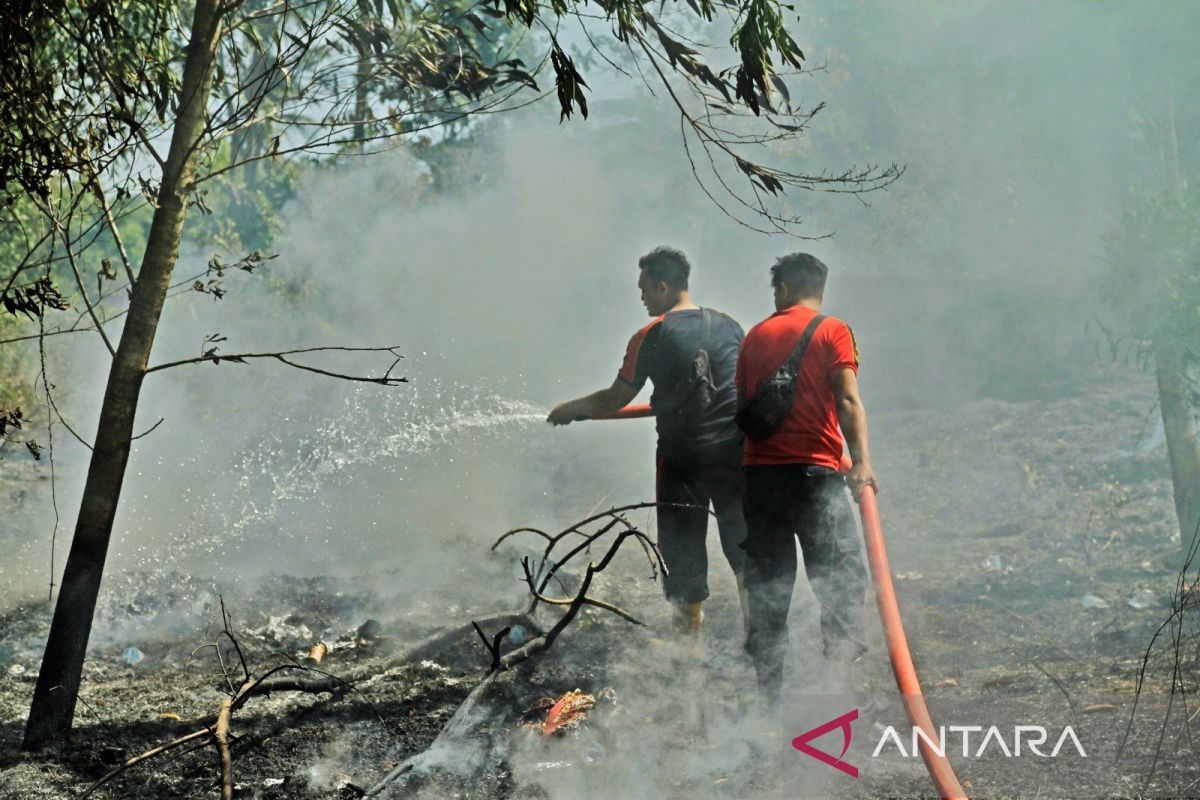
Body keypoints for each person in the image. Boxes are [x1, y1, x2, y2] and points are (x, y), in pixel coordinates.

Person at [547, 246, 749, 642]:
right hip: (734, 456)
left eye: (644, 289)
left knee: (682, 557)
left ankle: (686, 653)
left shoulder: (651, 335)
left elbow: (614, 399)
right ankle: (759, 641)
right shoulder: (729, 325)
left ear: (662, 286)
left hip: (681, 463)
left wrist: (570, 408)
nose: (641, 297)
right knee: (745, 551)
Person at [735, 253, 878, 700]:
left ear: (783, 288)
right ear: (819, 288)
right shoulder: (833, 330)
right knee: (840, 578)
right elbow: (848, 401)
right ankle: (836, 683)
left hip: (760, 479)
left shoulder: (755, 335)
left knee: (767, 587)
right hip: (815, 477)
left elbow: (742, 411)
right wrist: (863, 463)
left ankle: (767, 693)